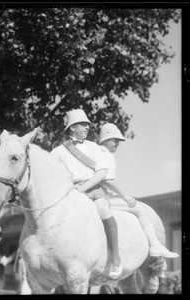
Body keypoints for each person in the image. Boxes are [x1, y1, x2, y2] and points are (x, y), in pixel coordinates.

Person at [50, 109, 122, 279]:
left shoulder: (93, 147)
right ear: (72, 127)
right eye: (83, 124)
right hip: (70, 192)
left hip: (93, 188)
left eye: (87, 125)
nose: (87, 127)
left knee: (104, 209)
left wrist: (85, 187)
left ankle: (116, 259)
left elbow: (102, 172)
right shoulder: (58, 152)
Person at [99, 123, 179, 258]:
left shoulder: (98, 152)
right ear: (106, 139)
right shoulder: (106, 155)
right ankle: (155, 245)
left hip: (102, 196)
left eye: (119, 141)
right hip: (105, 198)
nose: (118, 144)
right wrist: (124, 195)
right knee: (138, 208)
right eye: (115, 140)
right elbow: (107, 180)